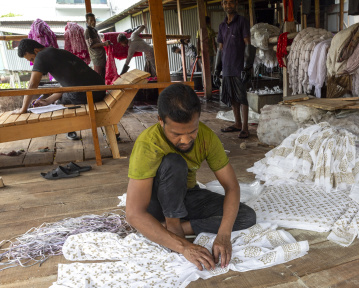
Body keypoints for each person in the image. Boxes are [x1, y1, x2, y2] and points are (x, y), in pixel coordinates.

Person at [125, 83, 256, 270]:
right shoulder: (148, 144)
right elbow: (134, 214)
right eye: (176, 134)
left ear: (198, 119)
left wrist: (224, 235)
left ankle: (166, 228)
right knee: (174, 162)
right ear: (160, 121)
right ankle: (172, 227)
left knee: (245, 216)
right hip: (156, 204)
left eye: (192, 131)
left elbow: (232, 187)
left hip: (186, 195)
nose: (186, 140)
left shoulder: (207, 136)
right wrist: (184, 246)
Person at [14, 39, 106, 141]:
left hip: (87, 93)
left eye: (32, 59)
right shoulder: (56, 52)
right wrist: (47, 100)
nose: (33, 62)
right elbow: (68, 85)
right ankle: (55, 109)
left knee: (61, 102)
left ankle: (70, 129)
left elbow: (32, 84)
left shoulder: (41, 56)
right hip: (100, 89)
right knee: (63, 97)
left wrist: (23, 109)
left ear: (36, 51)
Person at [215, 0, 256, 139]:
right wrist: (216, 69)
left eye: (231, 2)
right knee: (232, 96)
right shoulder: (221, 26)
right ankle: (237, 123)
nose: (228, 5)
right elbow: (220, 49)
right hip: (227, 66)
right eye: (225, 3)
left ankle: (245, 127)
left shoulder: (241, 21)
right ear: (222, 5)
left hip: (239, 65)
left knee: (242, 96)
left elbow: (248, 44)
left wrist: (247, 65)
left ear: (236, 4)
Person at [84, 13, 111, 79]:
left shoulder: (94, 30)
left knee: (103, 76)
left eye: (94, 20)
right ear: (87, 21)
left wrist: (104, 43)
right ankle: (98, 89)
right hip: (96, 58)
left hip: (101, 56)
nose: (93, 22)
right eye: (91, 20)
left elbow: (98, 42)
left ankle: (104, 89)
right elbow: (91, 45)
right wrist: (104, 44)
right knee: (98, 77)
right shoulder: (87, 31)